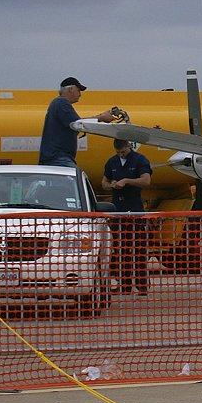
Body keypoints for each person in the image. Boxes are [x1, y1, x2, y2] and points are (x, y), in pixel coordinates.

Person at [103, 137, 153, 294]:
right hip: (118, 211)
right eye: (118, 153)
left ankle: (142, 285)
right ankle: (124, 285)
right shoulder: (112, 162)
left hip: (135, 209)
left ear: (129, 147)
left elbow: (146, 181)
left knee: (139, 249)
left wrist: (126, 181)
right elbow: (104, 182)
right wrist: (110, 184)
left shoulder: (140, 160)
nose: (121, 155)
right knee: (121, 250)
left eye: (123, 152)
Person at [38, 77, 122, 168]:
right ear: (70, 89)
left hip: (55, 157)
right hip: (58, 157)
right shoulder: (61, 103)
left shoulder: (57, 104)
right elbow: (77, 124)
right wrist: (101, 118)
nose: (80, 94)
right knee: (75, 180)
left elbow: (75, 123)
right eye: (78, 90)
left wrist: (100, 117)